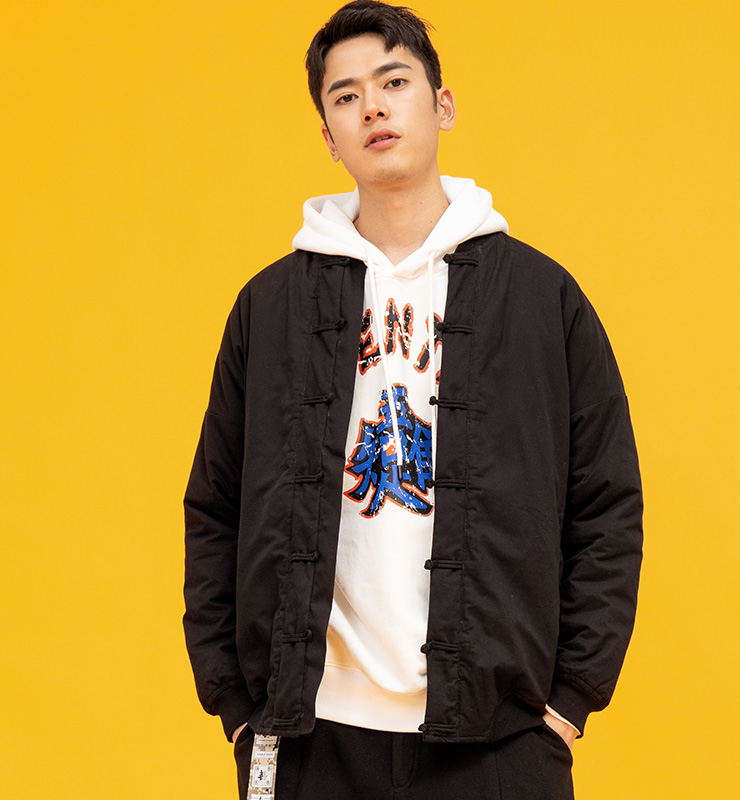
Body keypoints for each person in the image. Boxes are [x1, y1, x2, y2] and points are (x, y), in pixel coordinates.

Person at [183, 2, 643, 798]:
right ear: (329, 136)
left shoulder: (541, 299)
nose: (372, 106)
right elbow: (216, 504)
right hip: (310, 736)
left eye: (394, 82)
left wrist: (570, 701)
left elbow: (605, 502)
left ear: (443, 105)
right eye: (346, 95)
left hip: (497, 744)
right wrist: (233, 703)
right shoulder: (272, 306)